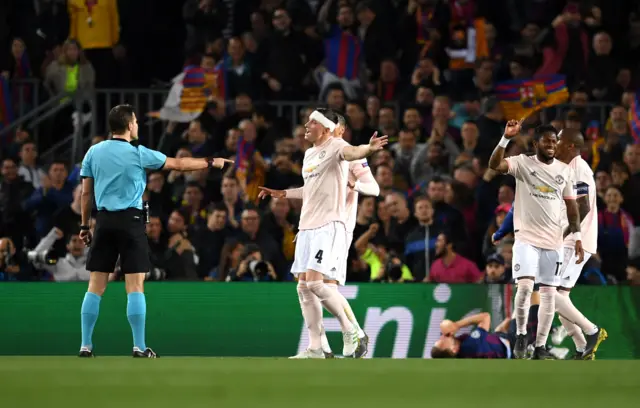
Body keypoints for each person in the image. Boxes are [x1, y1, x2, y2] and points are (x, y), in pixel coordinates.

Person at [78, 104, 232, 358]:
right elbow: (179, 164)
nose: (137, 125)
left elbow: (85, 194)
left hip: (103, 221)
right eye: (136, 121)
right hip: (131, 220)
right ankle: (139, 346)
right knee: (135, 285)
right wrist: (210, 162)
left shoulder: (93, 152)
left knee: (95, 285)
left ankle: (86, 345)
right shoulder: (139, 153)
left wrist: (85, 225)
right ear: (129, 125)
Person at [258, 108, 387, 358]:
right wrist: (283, 193)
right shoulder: (309, 155)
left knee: (319, 284)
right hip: (307, 225)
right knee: (304, 287)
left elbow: (367, 174)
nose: (305, 125)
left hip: (333, 225)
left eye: (312, 122)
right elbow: (311, 188)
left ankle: (355, 332)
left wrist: (368, 151)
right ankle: (317, 347)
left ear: (332, 128)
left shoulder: (341, 147)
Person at [488, 121, 583, 360]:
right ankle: (521, 335)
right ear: (535, 143)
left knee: (549, 295)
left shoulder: (565, 171)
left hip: (554, 243)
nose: (551, 145)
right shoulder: (522, 163)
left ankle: (540, 346)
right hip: (526, 239)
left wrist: (577, 235)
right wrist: (505, 138)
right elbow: (494, 164)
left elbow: (572, 207)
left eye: (554, 141)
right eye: (546, 141)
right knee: (525, 288)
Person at [551, 129, 608, 359]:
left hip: (575, 241)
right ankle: (583, 347)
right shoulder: (566, 168)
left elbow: (583, 207)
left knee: (548, 291)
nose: (554, 144)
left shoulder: (579, 168)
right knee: (559, 297)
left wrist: (568, 235)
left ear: (572, 146)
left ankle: (592, 330)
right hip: (572, 240)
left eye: (559, 141)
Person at [431, 293, 544, 359]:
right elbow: (485, 317)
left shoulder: (462, 343)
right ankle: (552, 340)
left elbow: (487, 344)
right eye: (442, 342)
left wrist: (497, 333)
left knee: (521, 303)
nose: (442, 336)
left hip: (505, 338)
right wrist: (456, 325)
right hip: (516, 345)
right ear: (453, 350)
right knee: (534, 295)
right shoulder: (469, 346)